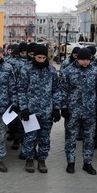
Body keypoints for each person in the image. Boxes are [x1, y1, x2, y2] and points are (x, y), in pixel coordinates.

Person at [60, 48, 97, 175]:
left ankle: (88, 163)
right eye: (83, 59)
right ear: (77, 58)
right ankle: (70, 162)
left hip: (90, 111)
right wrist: (63, 107)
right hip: (72, 111)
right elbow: (63, 90)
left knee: (89, 138)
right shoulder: (68, 71)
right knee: (70, 137)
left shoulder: (96, 71)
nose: (85, 62)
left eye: (88, 59)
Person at [18, 44, 61, 173]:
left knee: (44, 137)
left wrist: (56, 108)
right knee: (30, 137)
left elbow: (56, 90)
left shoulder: (51, 70)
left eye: (43, 57)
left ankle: (42, 160)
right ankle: (29, 160)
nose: (41, 60)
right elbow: (21, 90)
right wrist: (23, 108)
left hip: (47, 111)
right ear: (34, 57)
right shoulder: (26, 69)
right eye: (38, 57)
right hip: (31, 111)